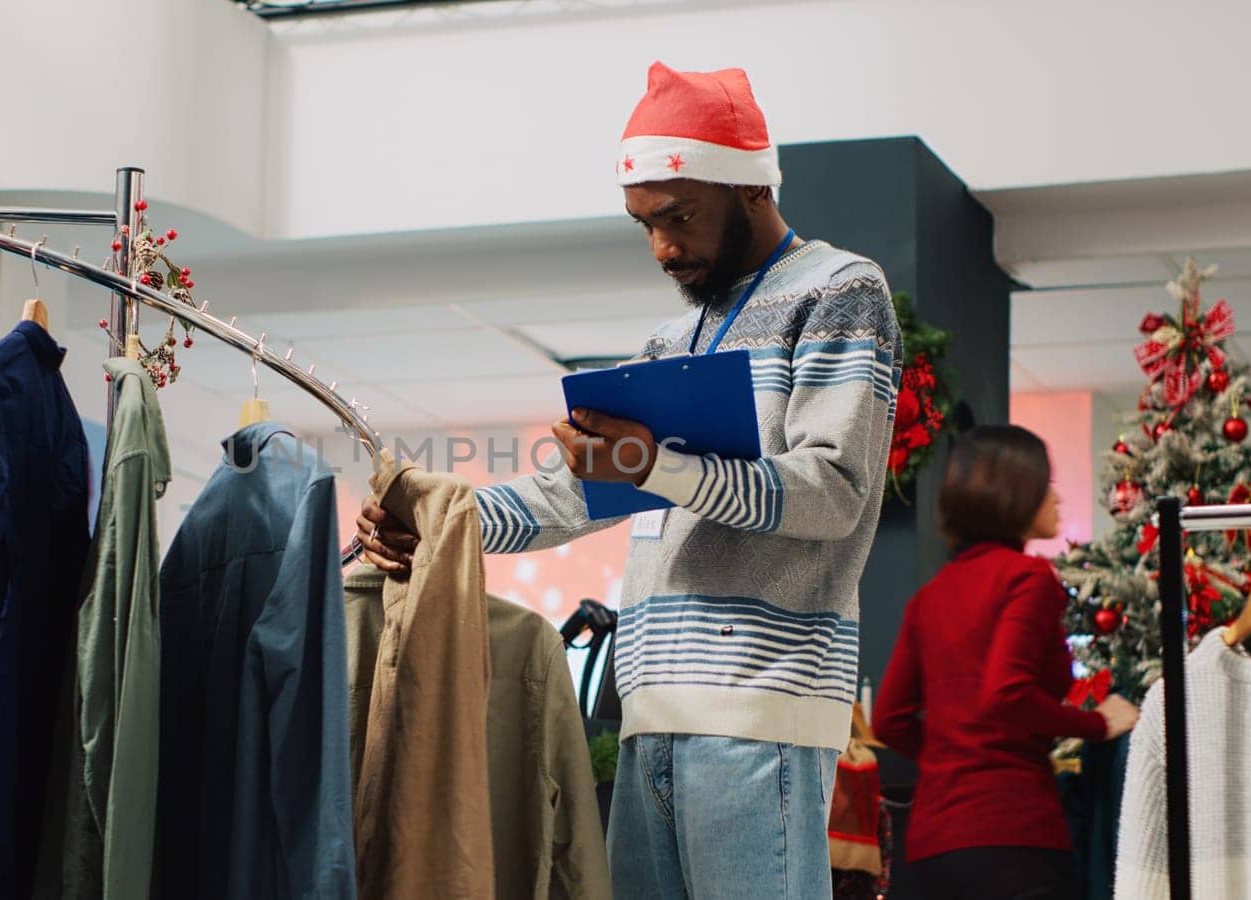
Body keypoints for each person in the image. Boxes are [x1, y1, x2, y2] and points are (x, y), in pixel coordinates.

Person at [360, 62, 901, 899]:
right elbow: (569, 496)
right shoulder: (670, 337)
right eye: (643, 224)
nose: (662, 247)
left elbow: (832, 491)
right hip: (647, 718)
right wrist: (437, 518)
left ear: (749, 188)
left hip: (759, 715)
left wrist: (658, 465)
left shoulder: (839, 290)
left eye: (678, 217)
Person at [872, 425, 1140, 899]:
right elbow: (1007, 691)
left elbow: (890, 721)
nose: (1056, 499)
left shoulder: (930, 597)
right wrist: (1096, 724)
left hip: (932, 846)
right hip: (1013, 835)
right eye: (1046, 484)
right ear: (1014, 494)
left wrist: (951, 755)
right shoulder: (1028, 578)